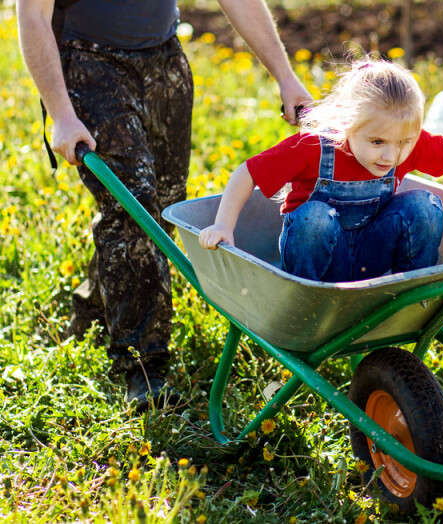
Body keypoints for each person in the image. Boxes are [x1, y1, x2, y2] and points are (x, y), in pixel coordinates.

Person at [17, 0, 312, 410]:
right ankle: (143, 366)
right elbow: (32, 16)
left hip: (164, 61)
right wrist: (61, 114)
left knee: (161, 208)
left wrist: (286, 76)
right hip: (89, 62)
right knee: (133, 211)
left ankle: (94, 304)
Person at [199, 58, 443, 282]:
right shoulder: (316, 146)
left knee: (424, 205)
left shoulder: (404, 141)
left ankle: (405, 287)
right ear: (347, 123)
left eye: (404, 142)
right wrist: (224, 225)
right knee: (315, 219)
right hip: (315, 257)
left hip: (372, 254)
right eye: (377, 141)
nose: (391, 155)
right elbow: (248, 173)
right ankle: (310, 298)